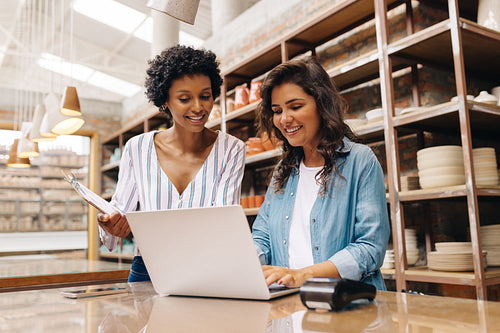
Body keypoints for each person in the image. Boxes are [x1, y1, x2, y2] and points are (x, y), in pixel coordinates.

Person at [98, 45, 246, 282]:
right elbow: (119, 213)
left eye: (205, 96)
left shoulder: (232, 149)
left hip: (207, 269)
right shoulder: (137, 148)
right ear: (165, 100)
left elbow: (224, 222)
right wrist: (109, 223)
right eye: (185, 98)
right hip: (148, 270)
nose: (198, 107)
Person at [252, 58, 389, 290]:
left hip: (346, 306)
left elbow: (369, 248)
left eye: (295, 107)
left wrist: (302, 275)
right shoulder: (282, 172)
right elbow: (263, 237)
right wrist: (239, 263)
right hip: (290, 305)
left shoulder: (360, 161)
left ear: (322, 105)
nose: (284, 119)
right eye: (277, 111)